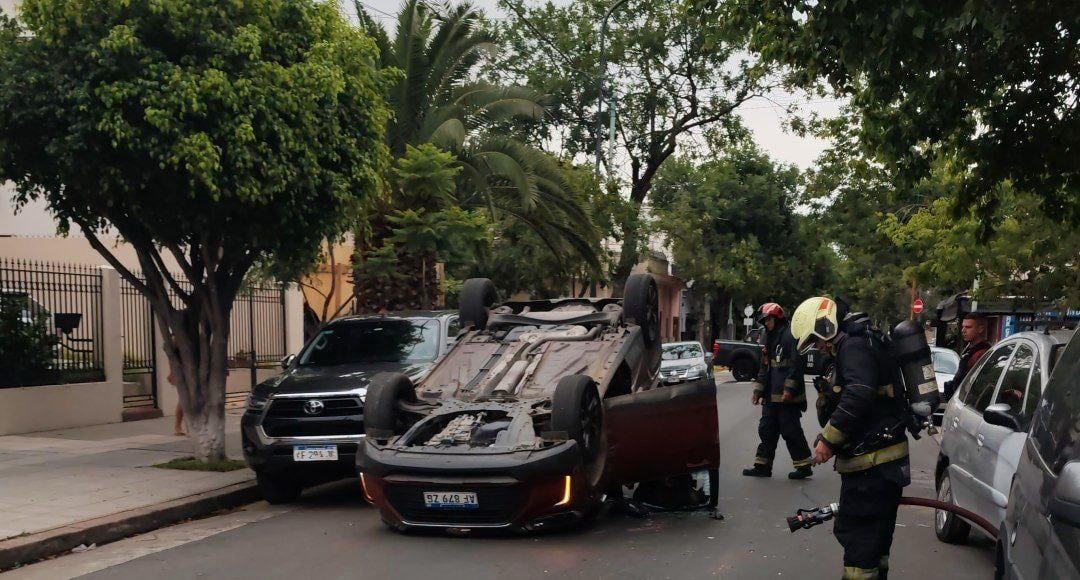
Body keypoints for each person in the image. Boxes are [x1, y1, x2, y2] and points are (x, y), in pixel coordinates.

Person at [792, 297, 910, 580]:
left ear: (826, 324)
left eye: (817, 340)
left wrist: (828, 441)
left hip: (871, 469)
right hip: (883, 466)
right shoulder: (865, 341)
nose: (820, 347)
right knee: (875, 543)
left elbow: (858, 395)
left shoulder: (853, 346)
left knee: (860, 545)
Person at [742, 303, 813, 480]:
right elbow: (764, 366)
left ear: (778, 319)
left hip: (788, 397)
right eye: (765, 320)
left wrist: (789, 389)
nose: (766, 323)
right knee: (766, 429)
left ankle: (804, 466)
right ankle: (762, 466)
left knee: (790, 431)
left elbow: (797, 366)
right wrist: (758, 390)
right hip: (770, 396)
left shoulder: (791, 335)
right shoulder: (768, 337)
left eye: (769, 320)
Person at [942, 316, 991, 401]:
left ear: (980, 329)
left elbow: (976, 386)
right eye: (963, 326)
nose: (963, 330)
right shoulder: (969, 350)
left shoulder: (981, 353)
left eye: (968, 327)